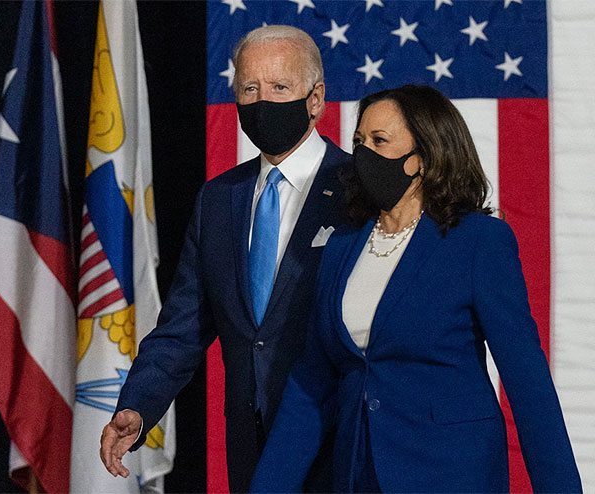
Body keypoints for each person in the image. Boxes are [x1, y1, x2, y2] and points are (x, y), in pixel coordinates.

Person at [250, 85, 582, 493]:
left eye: (379, 141)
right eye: (358, 141)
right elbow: (311, 383)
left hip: (452, 473)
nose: (362, 153)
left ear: (422, 159)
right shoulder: (340, 247)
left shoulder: (478, 241)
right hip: (359, 473)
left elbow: (527, 381)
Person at [99, 25, 352, 492]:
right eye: (249, 88)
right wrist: (137, 405)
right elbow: (184, 325)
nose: (262, 102)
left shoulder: (358, 191)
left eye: (279, 87)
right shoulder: (219, 198)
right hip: (249, 445)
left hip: (335, 440)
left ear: (315, 99)